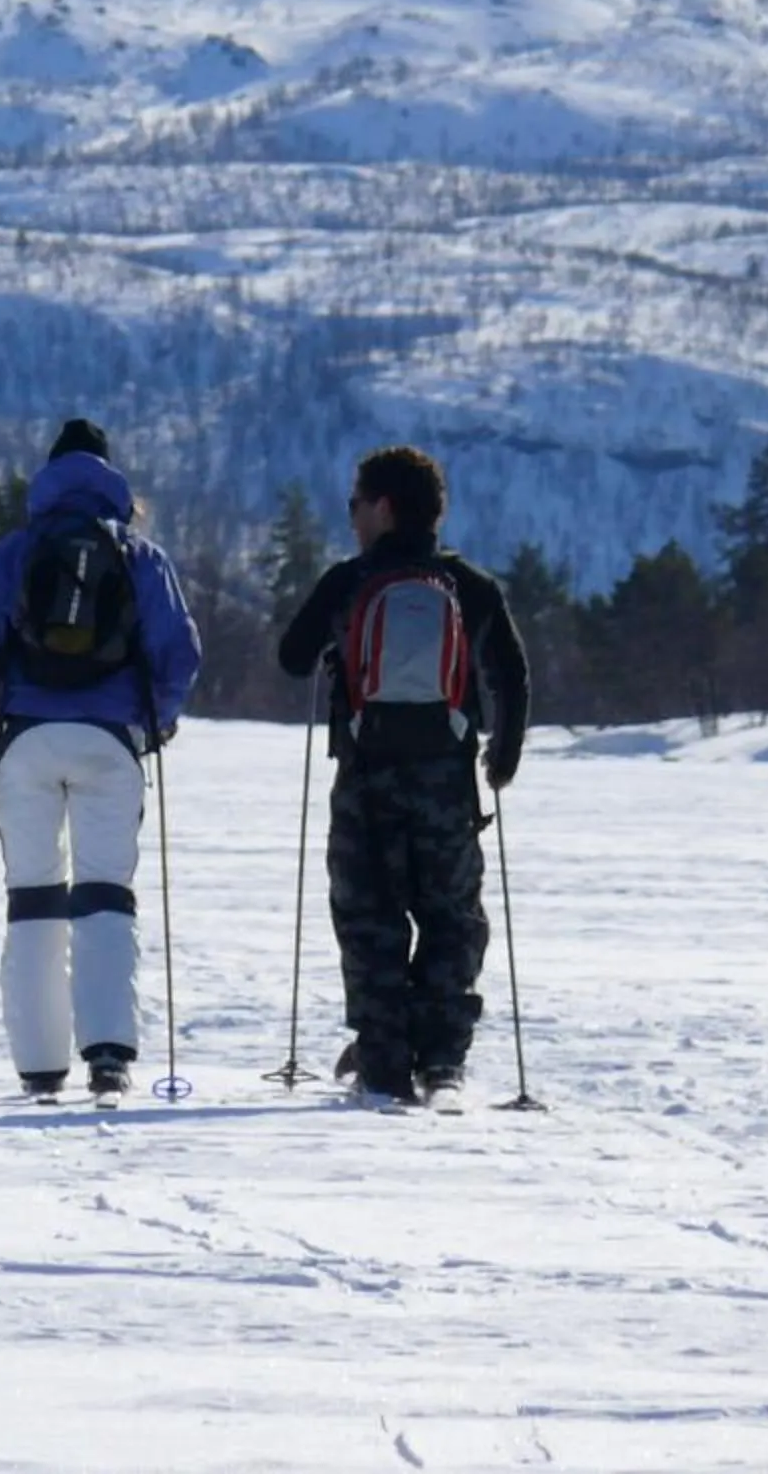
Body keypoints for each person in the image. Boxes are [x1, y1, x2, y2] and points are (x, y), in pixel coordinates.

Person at [0, 419, 202, 1101]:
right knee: (105, 895)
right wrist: (159, 719)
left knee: (33, 898)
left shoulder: (17, 551)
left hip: (25, 739)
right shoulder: (140, 556)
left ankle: (39, 1064)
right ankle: (109, 1055)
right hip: (111, 743)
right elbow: (180, 654)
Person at [276, 444, 529, 1107]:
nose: (352, 516)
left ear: (383, 508)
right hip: (446, 783)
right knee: (451, 919)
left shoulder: (348, 580)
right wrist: (502, 755)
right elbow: (513, 673)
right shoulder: (470, 586)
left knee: (371, 920)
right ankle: (443, 1061)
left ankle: (384, 1064)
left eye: (356, 504)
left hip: (366, 779)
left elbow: (291, 658)